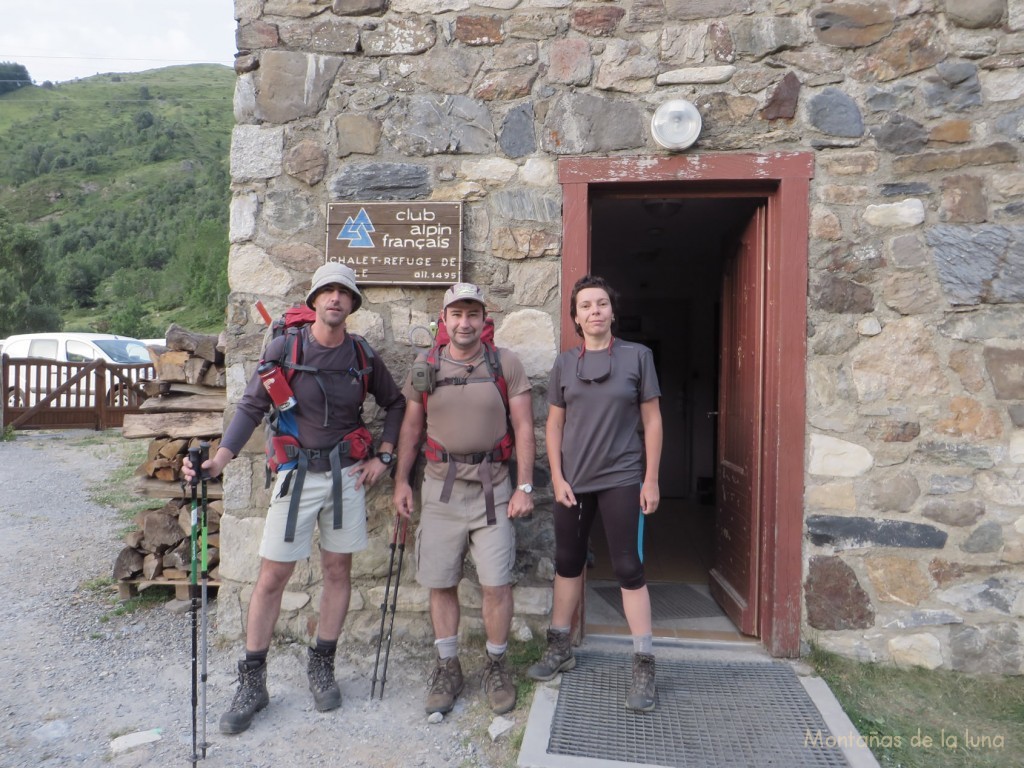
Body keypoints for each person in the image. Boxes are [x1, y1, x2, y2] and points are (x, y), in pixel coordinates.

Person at [183, 262, 406, 735]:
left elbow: (397, 403)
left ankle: (322, 664)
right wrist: (220, 459)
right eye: (326, 291)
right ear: (314, 300)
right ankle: (252, 680)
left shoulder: (362, 355)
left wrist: (384, 457)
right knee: (272, 576)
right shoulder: (285, 349)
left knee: (337, 570)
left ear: (352, 305)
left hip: (346, 475)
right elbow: (251, 406)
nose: (334, 299)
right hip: (295, 475)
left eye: (343, 293)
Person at [392, 282, 536, 716]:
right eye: (457, 314)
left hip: (494, 488)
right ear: (444, 319)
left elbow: (525, 427)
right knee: (441, 581)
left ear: (483, 319)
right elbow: (411, 429)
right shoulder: (426, 365)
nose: (464, 322)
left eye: (472, 314)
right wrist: (402, 481)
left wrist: (525, 486)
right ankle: (448, 665)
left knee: (497, 583)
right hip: (440, 488)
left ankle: (495, 664)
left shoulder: (504, 363)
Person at [526, 274, 663, 712]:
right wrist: (559, 477)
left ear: (612, 311)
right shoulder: (565, 364)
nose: (595, 312)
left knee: (628, 566)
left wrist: (651, 478)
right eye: (586, 306)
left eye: (601, 304)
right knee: (568, 563)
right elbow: (553, 424)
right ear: (576, 317)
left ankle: (644, 663)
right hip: (574, 482)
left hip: (622, 476)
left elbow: (653, 421)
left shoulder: (638, 357)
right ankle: (560, 646)